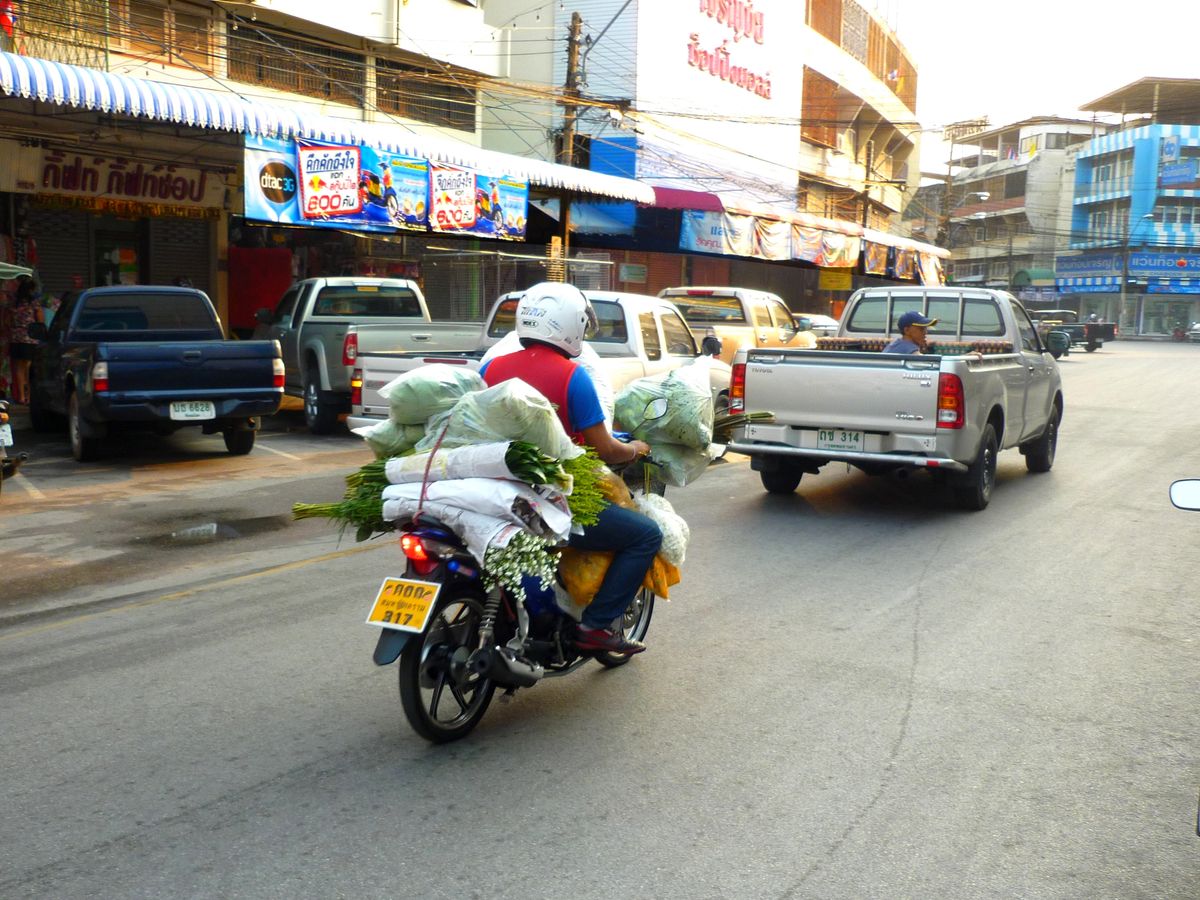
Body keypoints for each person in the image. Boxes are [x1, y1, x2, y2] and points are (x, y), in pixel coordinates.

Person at [479, 282, 662, 655]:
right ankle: (595, 627)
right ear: (571, 325)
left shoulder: (490, 368)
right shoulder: (573, 376)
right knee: (645, 535)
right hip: (550, 501)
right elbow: (606, 449)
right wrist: (635, 449)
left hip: (491, 493)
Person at [9, 275, 43, 405]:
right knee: (29, 367)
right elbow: (40, 320)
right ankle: (29, 396)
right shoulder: (34, 302)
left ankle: (22, 397)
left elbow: (10, 320)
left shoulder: (14, 302)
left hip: (16, 337)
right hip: (29, 338)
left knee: (19, 368)